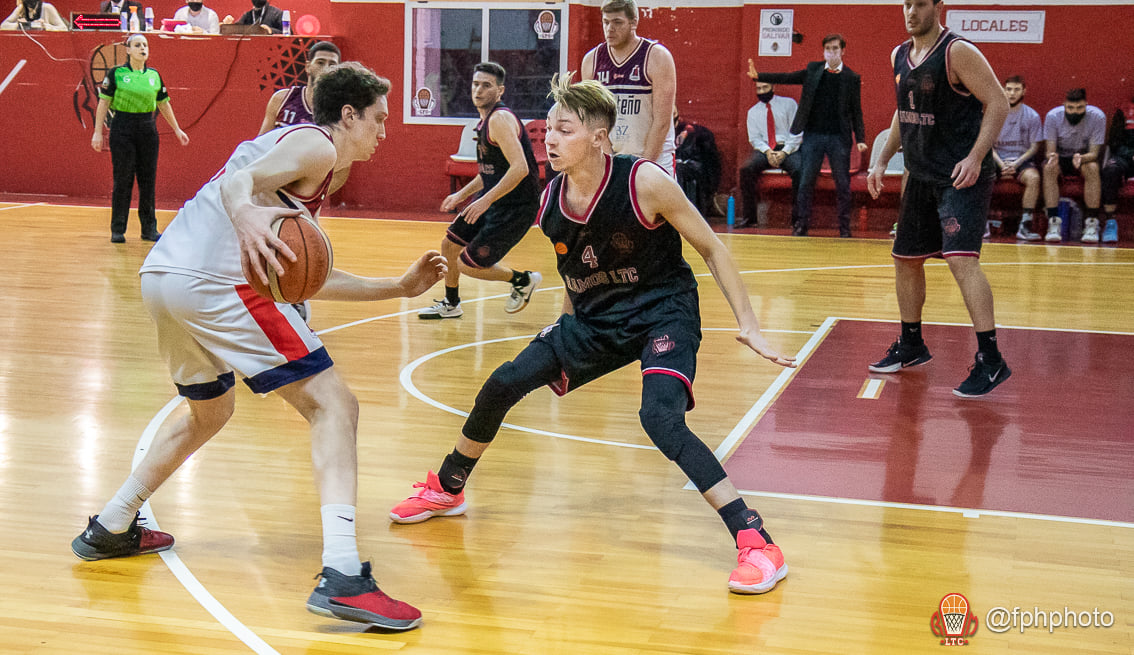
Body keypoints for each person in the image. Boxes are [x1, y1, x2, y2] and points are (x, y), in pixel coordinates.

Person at [390, 74, 797, 596]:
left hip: (662, 312)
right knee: (503, 382)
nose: (551, 139)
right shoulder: (551, 200)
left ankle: (757, 541)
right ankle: (448, 487)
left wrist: (751, 326)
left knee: (660, 418)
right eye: (549, 130)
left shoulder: (643, 182)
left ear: (600, 137)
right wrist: (562, 326)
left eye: (564, 129)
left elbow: (713, 249)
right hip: (596, 318)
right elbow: (573, 272)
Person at [71, 62, 444, 631]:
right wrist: (243, 212)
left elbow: (299, 274)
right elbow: (233, 189)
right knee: (335, 404)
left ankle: (113, 524)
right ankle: (343, 573)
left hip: (165, 278)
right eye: (379, 119)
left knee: (210, 409)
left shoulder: (295, 158)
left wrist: (396, 287)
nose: (384, 132)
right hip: (214, 283)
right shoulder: (316, 146)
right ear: (348, 116)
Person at [866, 0, 1011, 398]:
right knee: (905, 260)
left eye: (919, 4)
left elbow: (998, 103)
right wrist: (880, 160)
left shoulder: (957, 51)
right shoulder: (899, 54)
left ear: (938, 6)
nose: (911, 11)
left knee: (962, 261)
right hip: (921, 175)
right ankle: (912, 343)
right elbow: (903, 112)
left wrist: (976, 157)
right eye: (906, 4)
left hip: (960, 175)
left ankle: (991, 359)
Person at [417, 62, 543, 320]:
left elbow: (520, 169)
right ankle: (451, 304)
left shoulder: (499, 120)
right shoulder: (484, 122)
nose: (479, 90)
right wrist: (460, 195)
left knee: (468, 264)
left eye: (487, 85)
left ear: (500, 91)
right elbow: (489, 172)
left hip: (516, 206)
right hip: (495, 199)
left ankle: (524, 280)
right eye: (476, 84)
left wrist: (484, 201)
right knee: (449, 245)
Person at [747, 34, 868, 237]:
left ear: (842, 51)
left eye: (835, 49)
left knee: (843, 184)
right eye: (827, 49)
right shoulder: (813, 70)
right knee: (805, 182)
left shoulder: (851, 78)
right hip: (812, 136)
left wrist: (862, 139)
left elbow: (856, 110)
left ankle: (845, 229)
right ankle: (801, 225)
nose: (831, 52)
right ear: (823, 51)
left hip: (839, 138)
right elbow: (788, 77)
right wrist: (760, 76)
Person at [91, 34, 190, 243]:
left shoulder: (154, 75)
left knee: (148, 180)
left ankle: (149, 228)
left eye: (145, 45)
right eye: (137, 45)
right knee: (123, 179)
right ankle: (118, 229)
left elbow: (163, 104)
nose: (142, 48)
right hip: (122, 128)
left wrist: (177, 129)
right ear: (128, 50)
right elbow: (103, 104)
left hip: (147, 128)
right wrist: (97, 132)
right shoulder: (116, 73)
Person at [581, 0, 677, 172]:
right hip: (612, 159)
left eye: (617, 22)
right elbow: (594, 119)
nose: (610, 28)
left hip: (654, 159)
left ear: (634, 23)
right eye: (606, 22)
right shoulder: (591, 61)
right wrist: (611, 162)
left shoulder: (657, 57)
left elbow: (662, 122)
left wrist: (643, 167)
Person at [1042, 88, 1108, 242]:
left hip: (1084, 157)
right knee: (1049, 168)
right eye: (1070, 108)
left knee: (1092, 167)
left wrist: (1082, 158)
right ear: (1064, 105)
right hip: (1061, 157)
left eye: (1080, 108)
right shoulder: (1053, 116)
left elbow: (1094, 153)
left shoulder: (1098, 117)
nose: (1075, 112)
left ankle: (1092, 223)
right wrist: (1052, 157)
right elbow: (1050, 151)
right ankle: (1053, 222)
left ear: (1086, 105)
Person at [738, 81, 801, 229]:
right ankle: (750, 218)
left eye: (765, 88)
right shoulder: (753, 112)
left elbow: (796, 132)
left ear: (773, 87)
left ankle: (798, 220)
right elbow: (754, 138)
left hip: (787, 147)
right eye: (758, 89)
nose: (761, 92)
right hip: (765, 148)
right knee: (746, 170)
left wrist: (784, 152)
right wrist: (768, 152)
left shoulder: (789, 105)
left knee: (799, 171)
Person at [992, 75, 1043, 241]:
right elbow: (987, 145)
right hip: (997, 158)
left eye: (1016, 89)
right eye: (1008, 89)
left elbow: (1034, 147)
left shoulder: (1032, 116)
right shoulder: (994, 113)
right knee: (978, 175)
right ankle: (981, 224)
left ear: (1023, 91)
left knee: (1034, 178)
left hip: (1021, 160)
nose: (1012, 93)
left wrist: (1015, 163)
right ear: (1003, 90)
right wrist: (1001, 164)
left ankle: (1025, 226)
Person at [259, 42, 342, 136]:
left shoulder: (341, 109)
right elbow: (260, 144)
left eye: (332, 64)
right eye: (320, 62)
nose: (326, 68)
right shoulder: (282, 99)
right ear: (308, 66)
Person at [673, 106, 722, 218]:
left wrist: (712, 190)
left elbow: (712, 163)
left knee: (678, 169)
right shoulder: (657, 132)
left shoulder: (692, 132)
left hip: (691, 169)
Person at [1100, 97, 1134, 244]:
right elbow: (1114, 141)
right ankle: (1110, 222)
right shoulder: (1123, 110)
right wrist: (1130, 154)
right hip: (1124, 156)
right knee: (1110, 171)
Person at [1, 0, 67, 30]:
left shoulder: (47, 7)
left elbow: (64, 28)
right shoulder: (21, 8)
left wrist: (45, 26)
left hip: (45, 44)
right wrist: (19, 25)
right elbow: (3, 26)